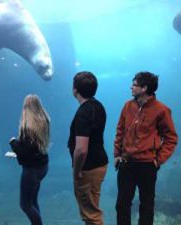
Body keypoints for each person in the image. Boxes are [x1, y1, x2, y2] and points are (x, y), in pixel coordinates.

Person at [114, 71, 178, 225]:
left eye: (134, 85)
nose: (131, 87)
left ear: (144, 88)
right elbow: (120, 130)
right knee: (122, 205)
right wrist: (117, 154)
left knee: (146, 206)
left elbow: (171, 138)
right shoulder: (128, 106)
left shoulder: (161, 110)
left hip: (147, 165)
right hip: (127, 163)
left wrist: (158, 160)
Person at [68, 71, 108, 225]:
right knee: (93, 208)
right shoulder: (98, 106)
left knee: (90, 215)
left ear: (75, 90)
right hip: (99, 164)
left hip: (88, 168)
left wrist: (77, 170)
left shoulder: (83, 113)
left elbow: (81, 149)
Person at [9, 94, 50, 225]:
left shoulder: (28, 127)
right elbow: (34, 148)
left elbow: (25, 152)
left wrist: (13, 142)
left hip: (31, 169)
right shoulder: (45, 120)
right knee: (33, 201)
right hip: (42, 166)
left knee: (25, 205)